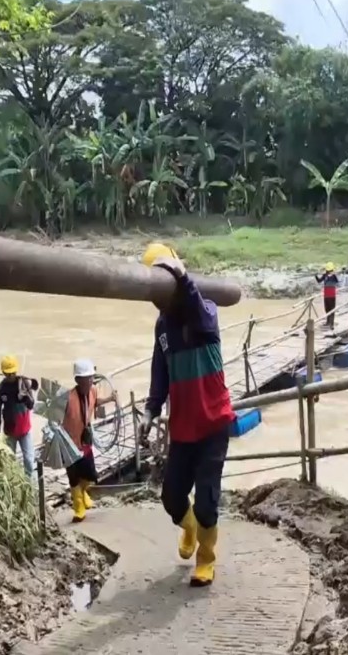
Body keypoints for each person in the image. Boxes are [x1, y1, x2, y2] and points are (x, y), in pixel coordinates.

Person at [137, 243, 236, 588]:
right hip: (182, 428)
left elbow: (195, 304)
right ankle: (189, 527)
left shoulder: (204, 311)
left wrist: (181, 275)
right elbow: (159, 373)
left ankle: (206, 559)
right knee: (172, 496)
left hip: (213, 423)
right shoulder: (162, 328)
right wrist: (150, 410)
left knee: (207, 499)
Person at [62, 358, 116, 523]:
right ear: (78, 380)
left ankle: (84, 492)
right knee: (73, 477)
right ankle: (78, 506)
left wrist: (110, 398)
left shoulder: (92, 391)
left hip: (85, 440)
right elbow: (53, 416)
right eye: (86, 378)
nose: (90, 381)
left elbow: (95, 403)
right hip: (69, 444)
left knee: (90, 474)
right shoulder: (67, 398)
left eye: (91, 377)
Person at [0, 355, 39, 479]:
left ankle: (31, 488)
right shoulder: (0, 389)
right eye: (7, 374)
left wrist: (25, 398)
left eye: (13, 373)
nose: (10, 376)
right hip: (9, 432)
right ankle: (15, 488)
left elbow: (31, 405)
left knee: (29, 461)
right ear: (3, 372)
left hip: (25, 431)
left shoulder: (24, 384)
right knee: (10, 463)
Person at [315, 262, 340, 329]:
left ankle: (331, 324)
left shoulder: (334, 276)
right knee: (327, 308)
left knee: (332, 309)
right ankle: (328, 322)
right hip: (326, 294)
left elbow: (337, 282)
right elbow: (319, 281)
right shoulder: (325, 275)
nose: (328, 271)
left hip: (331, 294)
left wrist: (332, 275)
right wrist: (316, 276)